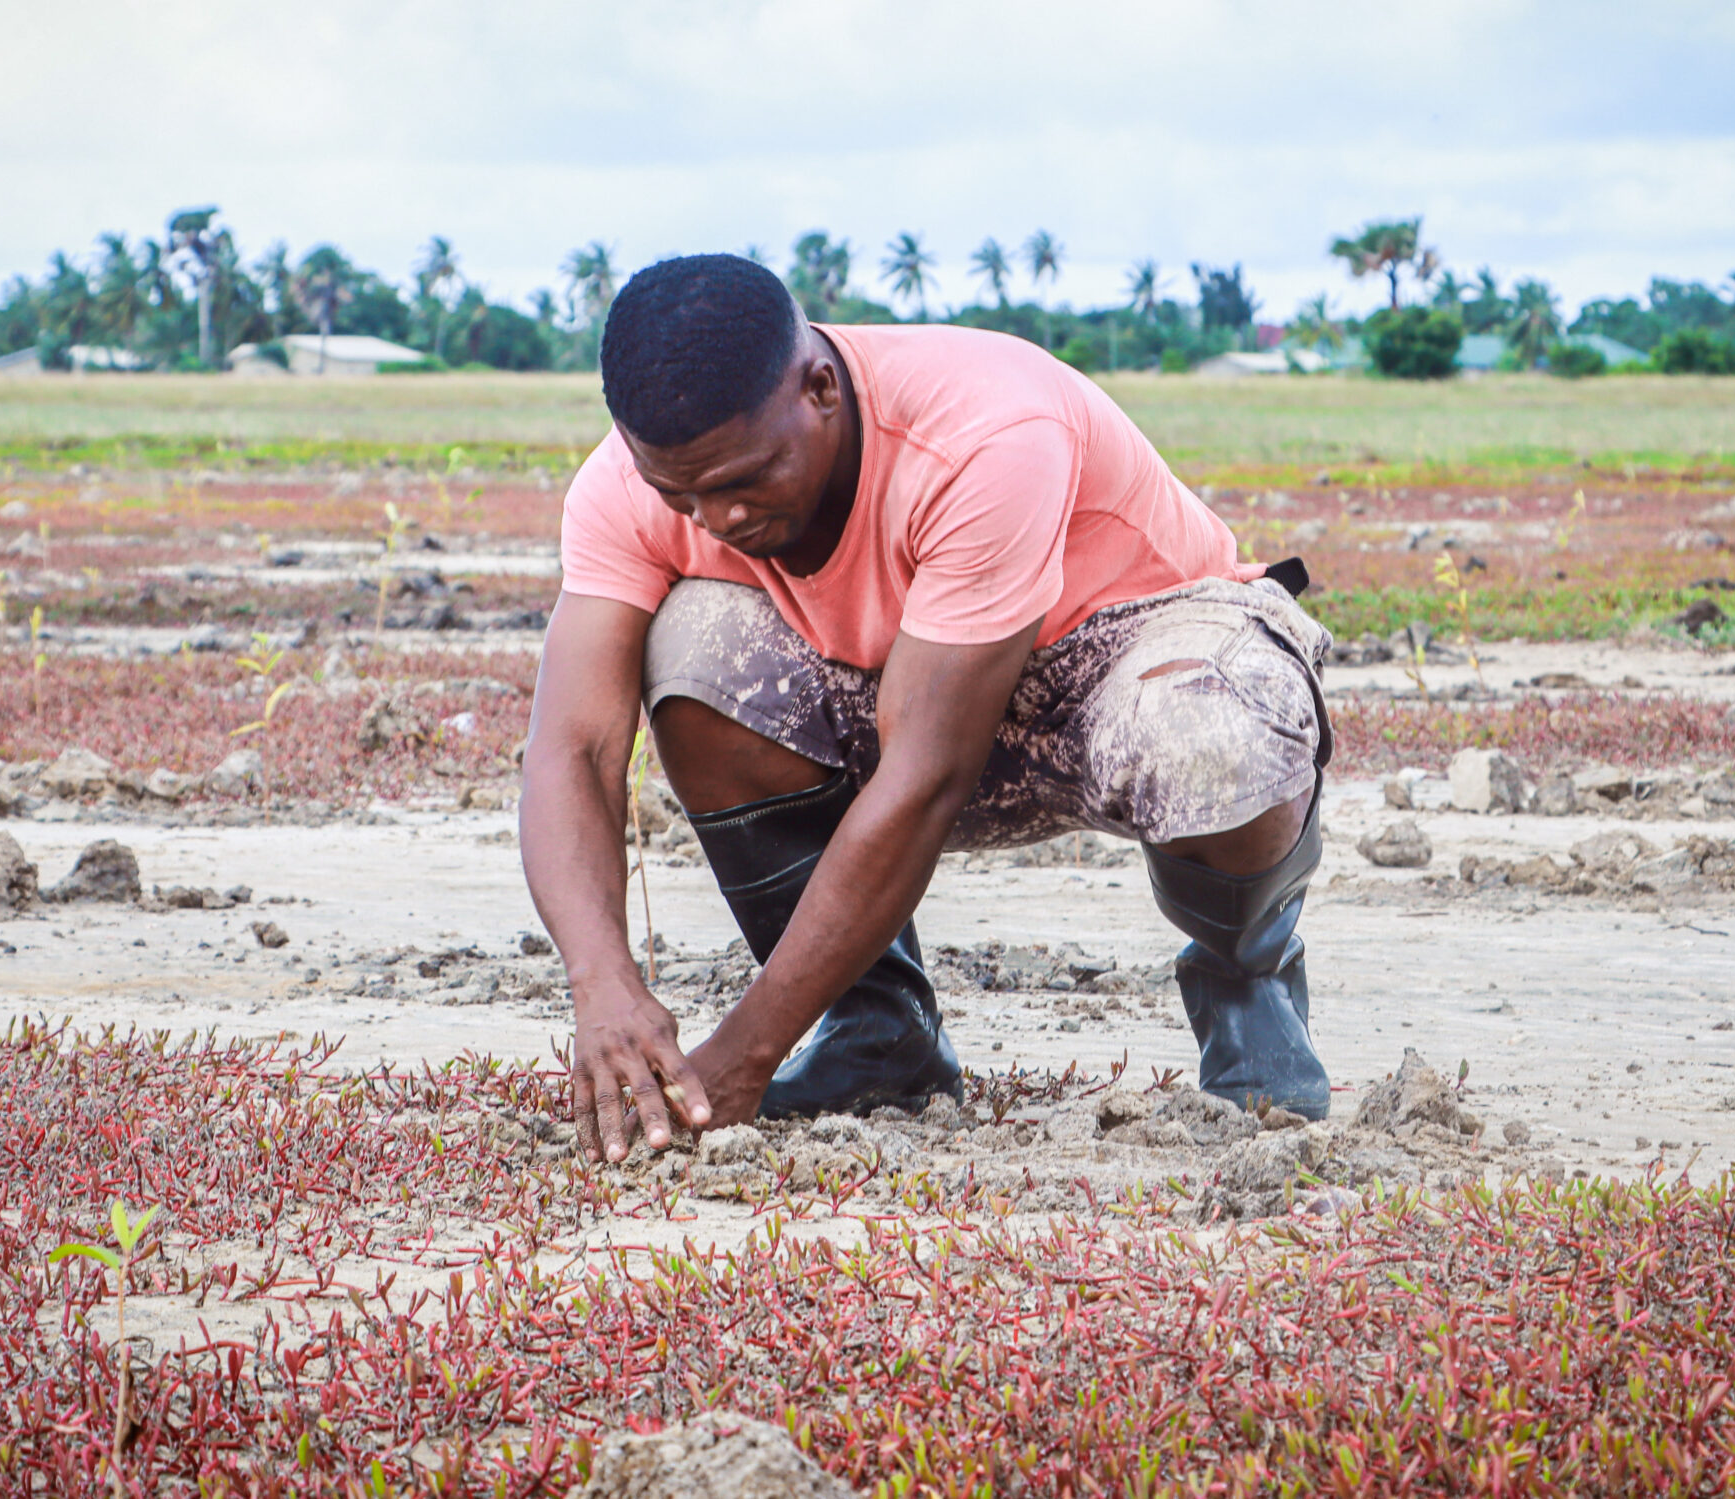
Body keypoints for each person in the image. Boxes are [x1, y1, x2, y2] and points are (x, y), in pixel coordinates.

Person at [519, 253, 1337, 1163]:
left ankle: (1247, 981)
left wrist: (744, 1056)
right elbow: (574, 746)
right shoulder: (629, 485)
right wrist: (601, 984)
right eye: (683, 494)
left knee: (1210, 729)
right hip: (915, 680)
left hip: (1120, 655)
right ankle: (878, 1034)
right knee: (693, 651)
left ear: (821, 388)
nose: (718, 518)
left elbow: (923, 779)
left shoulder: (986, 429)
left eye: (748, 478)